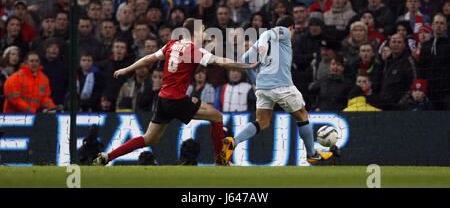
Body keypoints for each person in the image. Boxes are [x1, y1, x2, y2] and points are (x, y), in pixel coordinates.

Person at [93, 18, 257, 166]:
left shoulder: (172, 44)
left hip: (163, 99)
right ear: (194, 32)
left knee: (150, 138)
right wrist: (246, 66)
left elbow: (149, 58)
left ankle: (107, 156)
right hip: (177, 99)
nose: (205, 32)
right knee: (217, 117)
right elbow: (221, 62)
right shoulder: (194, 49)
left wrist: (127, 69)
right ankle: (221, 162)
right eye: (202, 29)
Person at [222, 16, 337, 166]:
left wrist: (255, 81)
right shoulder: (282, 34)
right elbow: (267, 34)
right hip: (281, 85)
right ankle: (312, 154)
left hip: (263, 86)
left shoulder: (262, 42)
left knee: (262, 122)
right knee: (302, 116)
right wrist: (263, 47)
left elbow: (244, 59)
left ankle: (233, 142)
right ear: (291, 28)